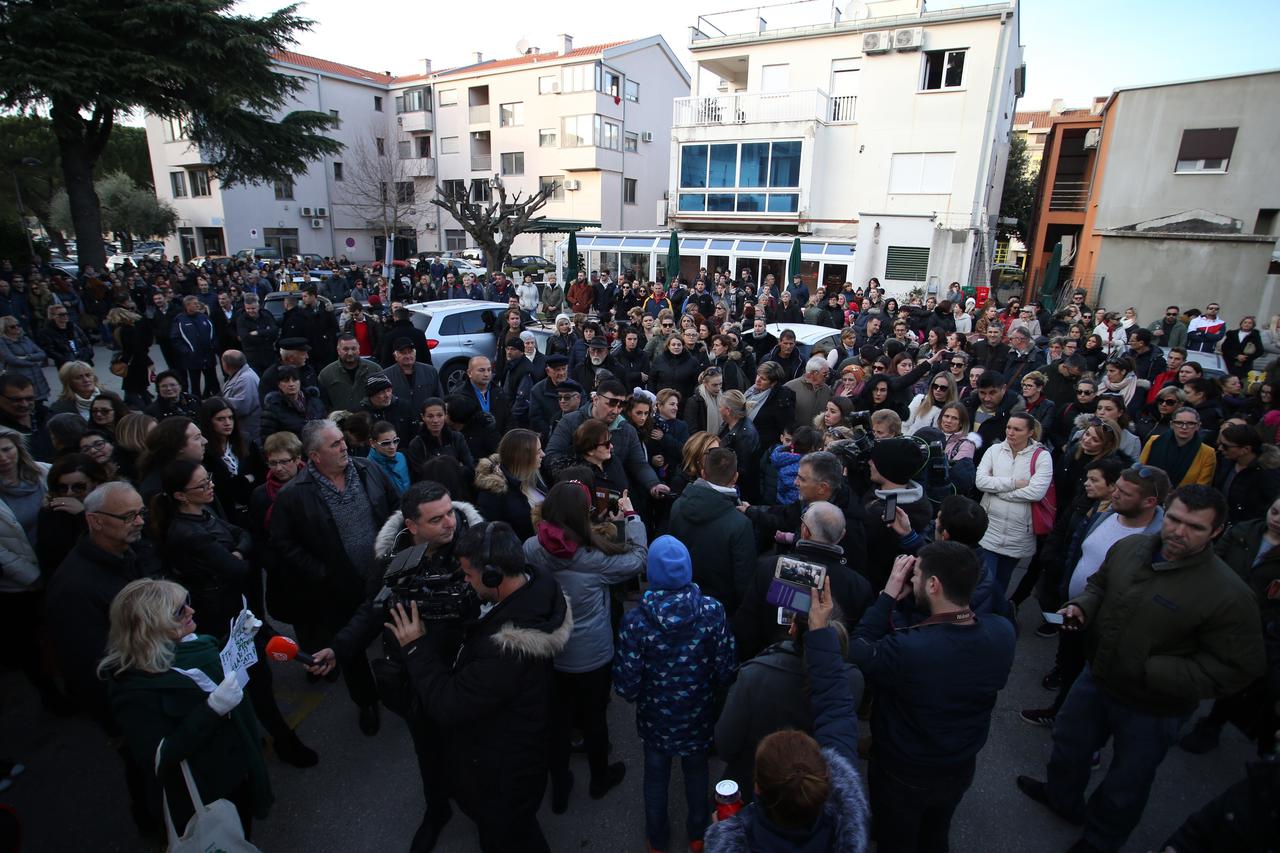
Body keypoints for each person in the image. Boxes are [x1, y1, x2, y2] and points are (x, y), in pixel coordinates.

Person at [1018, 486, 1266, 853]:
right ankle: (1062, 798)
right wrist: (1082, 607)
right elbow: (1099, 586)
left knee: (1126, 782)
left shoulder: (1228, 594)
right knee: (1070, 745)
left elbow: (1236, 668)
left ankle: (1100, 841)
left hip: (1154, 706)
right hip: (1098, 677)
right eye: (1176, 520)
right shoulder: (1130, 549)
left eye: (1195, 527)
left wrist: (1155, 671)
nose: (1179, 532)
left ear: (1217, 532)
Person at [374, 521, 570, 853]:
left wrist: (415, 647)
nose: (464, 581)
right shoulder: (536, 584)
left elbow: (447, 705)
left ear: (493, 576)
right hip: (521, 750)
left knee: (507, 836)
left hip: (504, 773)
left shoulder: (504, 652)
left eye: (468, 574)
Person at [851, 543, 1014, 853]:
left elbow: (859, 649)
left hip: (903, 769)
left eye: (917, 576)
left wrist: (887, 597)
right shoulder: (1002, 633)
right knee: (936, 831)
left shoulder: (909, 649)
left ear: (934, 585)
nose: (911, 581)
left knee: (895, 838)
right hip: (960, 764)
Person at [704, 577, 870, 852]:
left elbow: (725, 743)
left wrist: (728, 829)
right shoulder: (851, 682)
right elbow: (835, 709)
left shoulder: (754, 676)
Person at [101, 579, 272, 839]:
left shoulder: (194, 644)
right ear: (151, 627)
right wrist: (211, 709)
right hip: (206, 793)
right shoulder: (134, 688)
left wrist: (241, 639)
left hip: (235, 772)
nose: (191, 611)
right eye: (180, 611)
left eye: (187, 603)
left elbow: (220, 664)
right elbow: (159, 757)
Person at [270, 419, 398, 736]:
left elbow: (396, 507)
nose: (344, 447)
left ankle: (403, 689)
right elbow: (284, 544)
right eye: (334, 444)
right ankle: (366, 701)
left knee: (398, 635)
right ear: (314, 456)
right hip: (339, 589)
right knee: (351, 650)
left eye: (342, 440)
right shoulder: (294, 496)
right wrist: (322, 573)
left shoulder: (368, 469)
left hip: (385, 575)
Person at [524, 481, 644, 812]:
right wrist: (631, 517)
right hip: (591, 653)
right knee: (594, 717)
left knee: (558, 719)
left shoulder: (532, 548)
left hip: (551, 649)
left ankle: (559, 786)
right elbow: (636, 560)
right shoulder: (594, 557)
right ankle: (599, 777)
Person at [1019, 464, 1170, 729]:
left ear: (1149, 502)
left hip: (1108, 630)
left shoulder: (1158, 541)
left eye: (1124, 492)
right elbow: (1079, 551)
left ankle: (1086, 741)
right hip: (1075, 613)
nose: (1114, 494)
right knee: (1071, 669)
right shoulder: (1107, 513)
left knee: (1094, 689)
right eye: (1117, 487)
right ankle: (1060, 711)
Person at [614, 535, 736, 852]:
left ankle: (657, 840)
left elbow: (626, 683)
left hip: (655, 719)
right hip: (698, 713)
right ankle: (698, 836)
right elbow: (726, 667)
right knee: (697, 774)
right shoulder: (712, 610)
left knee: (655, 777)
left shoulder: (636, 621)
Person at [1178, 493, 1280, 757]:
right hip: (1212, 608)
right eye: (1275, 511)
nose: (1277, 520)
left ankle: (1213, 723)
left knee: (1230, 677)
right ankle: (1178, 710)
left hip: (1254, 625)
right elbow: (1214, 559)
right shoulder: (1245, 531)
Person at [734, 500, 871, 662]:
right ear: (842, 535)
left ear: (804, 531)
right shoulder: (858, 586)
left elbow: (746, 626)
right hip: (828, 669)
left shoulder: (770, 567)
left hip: (770, 663)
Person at [667, 447, 757, 615]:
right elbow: (744, 580)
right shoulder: (740, 524)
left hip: (680, 602)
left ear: (703, 473)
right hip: (720, 611)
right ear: (735, 477)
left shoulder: (678, 506)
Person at [975, 412, 1053, 593]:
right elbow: (981, 482)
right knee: (985, 581)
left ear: (1030, 432)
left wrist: (1001, 493)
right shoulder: (994, 451)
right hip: (990, 527)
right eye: (1009, 427)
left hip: (1019, 533)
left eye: (1017, 429)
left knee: (1001, 583)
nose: (1010, 432)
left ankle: (996, 618)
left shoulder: (1042, 457)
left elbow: (1036, 492)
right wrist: (1014, 484)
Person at [474, 428, 544, 542]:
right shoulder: (493, 493)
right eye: (538, 451)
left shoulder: (534, 477)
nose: (543, 454)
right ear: (522, 457)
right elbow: (495, 537)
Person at [1139, 406, 1216, 486]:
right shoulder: (1154, 441)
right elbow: (1139, 471)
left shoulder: (1208, 453)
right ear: (1171, 424)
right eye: (1179, 423)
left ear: (1198, 426)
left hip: (1184, 497)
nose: (1184, 427)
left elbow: (1201, 487)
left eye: (1190, 423)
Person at [406, 397, 474, 479]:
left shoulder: (457, 437)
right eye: (430, 416)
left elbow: (470, 469)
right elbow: (420, 475)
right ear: (423, 417)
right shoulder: (416, 444)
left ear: (445, 415)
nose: (435, 420)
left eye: (439, 415)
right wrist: (456, 467)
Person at [259, 365, 327, 441]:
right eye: (286, 381)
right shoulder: (272, 408)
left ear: (300, 382)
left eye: (295, 380)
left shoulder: (315, 402)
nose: (291, 384)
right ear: (279, 384)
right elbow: (268, 439)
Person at [170, 295, 219, 397]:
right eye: (195, 303)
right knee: (195, 384)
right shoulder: (180, 320)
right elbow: (175, 339)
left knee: (213, 381)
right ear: (187, 305)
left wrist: (214, 346)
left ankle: (215, 399)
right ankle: (196, 403)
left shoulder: (204, 317)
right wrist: (186, 351)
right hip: (192, 359)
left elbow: (214, 333)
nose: (198, 305)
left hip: (208, 356)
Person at [319, 333, 382, 412]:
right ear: (338, 350)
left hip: (369, 420)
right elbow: (322, 403)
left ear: (359, 349)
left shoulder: (375, 369)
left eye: (353, 349)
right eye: (345, 349)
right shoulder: (326, 374)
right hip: (339, 422)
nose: (350, 353)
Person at [381, 337, 442, 417]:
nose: (408, 356)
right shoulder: (386, 376)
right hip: (399, 424)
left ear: (415, 353)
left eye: (410, 352)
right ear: (395, 356)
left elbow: (439, 398)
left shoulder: (430, 371)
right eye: (403, 353)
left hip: (426, 421)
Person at [0, 315, 49, 401]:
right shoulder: (2, 342)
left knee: (40, 402)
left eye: (18, 325)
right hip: (19, 376)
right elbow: (11, 359)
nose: (17, 327)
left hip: (36, 376)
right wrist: (33, 363)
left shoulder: (25, 339)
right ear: (4, 328)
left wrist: (27, 357)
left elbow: (42, 353)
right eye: (12, 326)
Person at [37, 301, 94, 367]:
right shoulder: (47, 332)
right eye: (61, 314)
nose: (65, 316)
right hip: (66, 365)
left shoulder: (73, 326)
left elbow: (86, 342)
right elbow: (50, 351)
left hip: (84, 361)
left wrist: (88, 354)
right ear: (52, 316)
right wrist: (66, 360)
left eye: (66, 314)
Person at [367, 420, 410, 494]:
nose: (392, 447)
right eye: (386, 443)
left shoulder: (401, 457)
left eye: (396, 441)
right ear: (372, 443)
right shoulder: (368, 467)